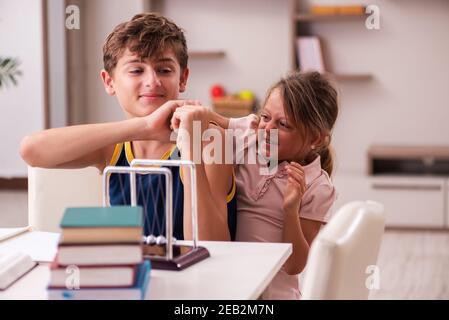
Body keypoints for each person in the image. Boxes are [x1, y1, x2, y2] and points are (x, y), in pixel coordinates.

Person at [20, 13, 236, 241]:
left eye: (164, 70)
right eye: (136, 70)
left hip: (200, 275)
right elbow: (31, 150)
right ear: (109, 81)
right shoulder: (113, 148)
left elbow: (209, 245)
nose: (152, 81)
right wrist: (143, 127)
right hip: (133, 273)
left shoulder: (211, 140)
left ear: (182, 79)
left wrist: (191, 147)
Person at [171, 71, 338, 299]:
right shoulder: (252, 135)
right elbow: (211, 119)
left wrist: (290, 209)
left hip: (274, 294)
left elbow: (294, 266)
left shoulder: (318, 187)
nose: (268, 129)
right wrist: (188, 113)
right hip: (231, 286)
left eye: (284, 125)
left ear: (316, 139)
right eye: (266, 117)